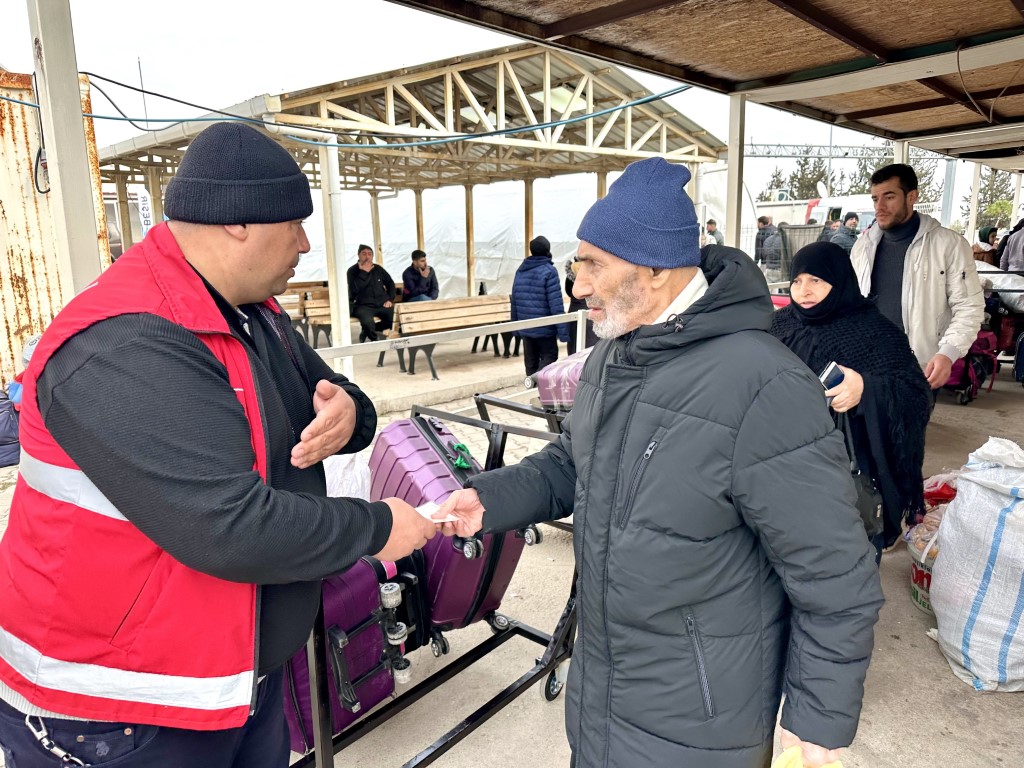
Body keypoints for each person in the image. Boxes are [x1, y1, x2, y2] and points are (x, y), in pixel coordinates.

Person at [0, 122, 436, 768]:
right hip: (119, 712)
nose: (305, 243)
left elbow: (335, 393)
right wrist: (376, 527)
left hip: (231, 680)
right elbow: (230, 528)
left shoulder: (252, 311)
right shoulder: (127, 342)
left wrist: (349, 411)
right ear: (238, 222)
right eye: (295, 224)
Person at [437, 157, 882, 768]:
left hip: (698, 723)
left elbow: (833, 572)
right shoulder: (613, 356)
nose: (577, 285)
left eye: (594, 264)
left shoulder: (762, 384)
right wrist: (488, 498)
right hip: (602, 694)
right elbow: (573, 462)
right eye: (577, 263)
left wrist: (815, 721)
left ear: (656, 269)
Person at [771, 242, 931, 559]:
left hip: (845, 469)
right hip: (781, 464)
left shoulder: (875, 331)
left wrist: (866, 388)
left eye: (816, 280)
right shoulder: (779, 324)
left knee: (848, 556)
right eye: (797, 281)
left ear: (839, 280)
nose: (804, 290)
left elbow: (916, 394)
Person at [850, 163, 984, 391]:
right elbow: (851, 303)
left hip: (920, 365)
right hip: (867, 363)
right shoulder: (863, 246)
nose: (879, 207)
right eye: (875, 199)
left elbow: (969, 306)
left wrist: (947, 353)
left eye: (889, 197)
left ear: (912, 196)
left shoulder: (948, 244)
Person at [511, 235, 569, 376]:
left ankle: (531, 385)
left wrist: (515, 326)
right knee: (550, 356)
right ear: (547, 250)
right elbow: (556, 304)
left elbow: (515, 300)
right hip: (545, 328)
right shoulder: (549, 271)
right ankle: (537, 383)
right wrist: (563, 332)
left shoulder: (521, 270)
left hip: (526, 327)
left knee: (530, 362)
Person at [347, 244, 399, 342]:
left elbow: (390, 283)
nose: (367, 257)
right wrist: (364, 273)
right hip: (363, 306)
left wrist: (389, 299)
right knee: (367, 323)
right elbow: (354, 289)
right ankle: (375, 340)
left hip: (382, 304)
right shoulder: (352, 271)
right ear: (358, 255)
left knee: (395, 319)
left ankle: (368, 331)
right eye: (364, 254)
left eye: (370, 254)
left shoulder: (378, 269)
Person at [564, 257, 597, 354]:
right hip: (590, 308)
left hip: (574, 308)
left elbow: (568, 291)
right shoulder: (591, 271)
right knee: (591, 341)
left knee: (574, 339)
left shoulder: (571, 273)